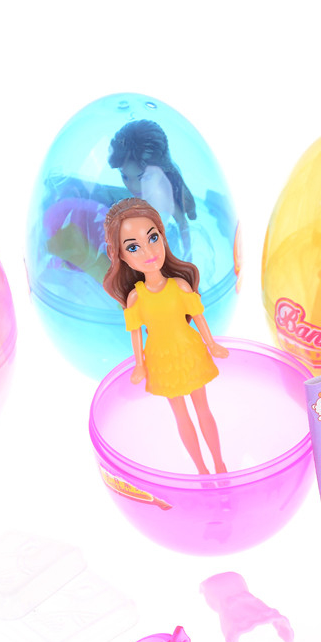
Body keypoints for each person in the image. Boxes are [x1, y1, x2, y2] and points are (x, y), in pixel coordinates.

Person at [103, 198, 228, 475]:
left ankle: (220, 464)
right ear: (121, 256)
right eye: (133, 247)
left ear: (162, 236)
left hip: (189, 351)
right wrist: (139, 365)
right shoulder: (136, 298)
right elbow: (135, 334)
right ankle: (202, 470)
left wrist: (212, 344)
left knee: (203, 409)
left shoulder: (180, 286)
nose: (148, 251)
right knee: (181, 416)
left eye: (153, 238)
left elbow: (198, 317)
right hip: (160, 359)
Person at [108, 120, 196, 254]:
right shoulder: (137, 194)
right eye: (125, 177)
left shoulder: (164, 197)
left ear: (163, 169)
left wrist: (188, 255)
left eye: (144, 177)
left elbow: (182, 224)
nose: (134, 186)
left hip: (160, 243)